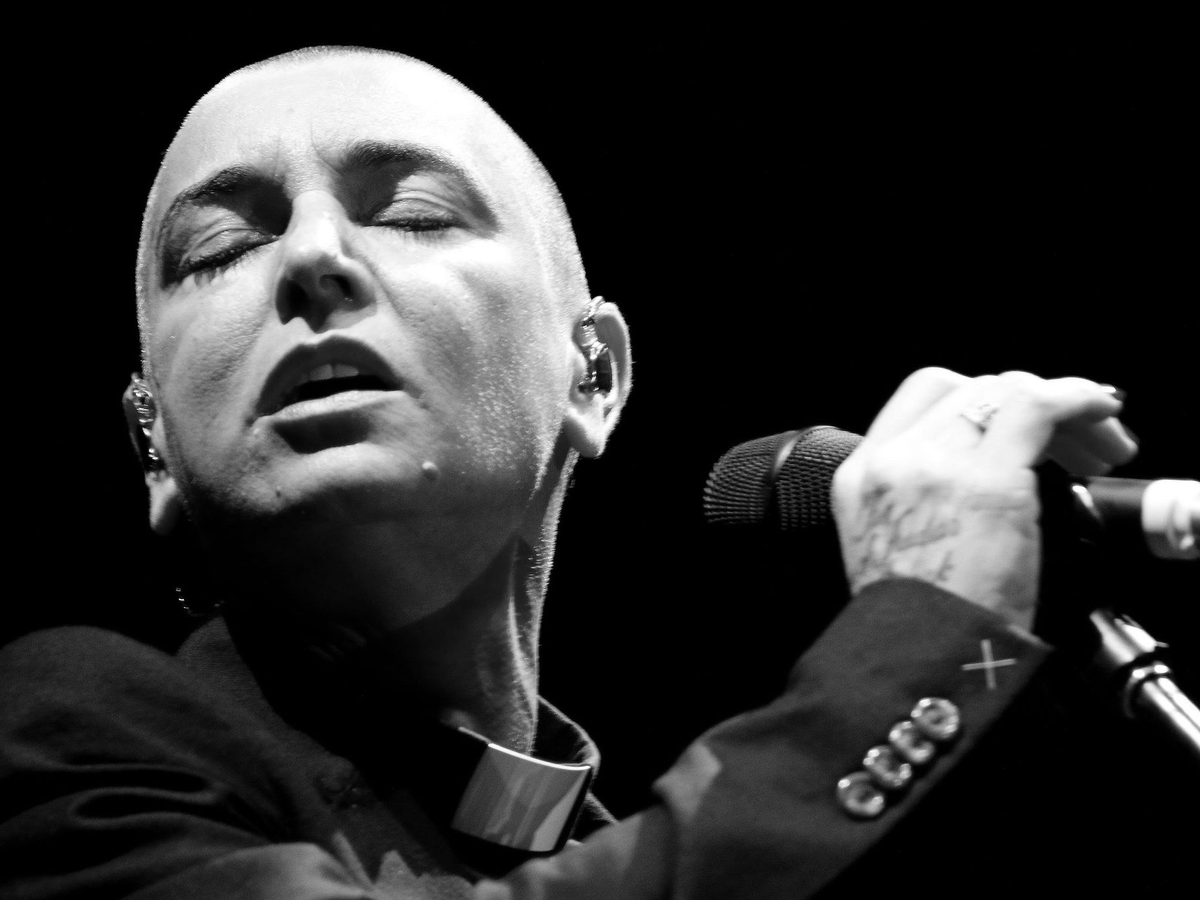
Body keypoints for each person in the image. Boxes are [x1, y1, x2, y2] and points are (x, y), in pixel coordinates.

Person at [0, 46, 1143, 899]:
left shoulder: (581, 833)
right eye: (222, 247)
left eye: (412, 213)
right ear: (151, 446)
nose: (312, 255)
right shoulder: (59, 734)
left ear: (592, 375)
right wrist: (919, 638)